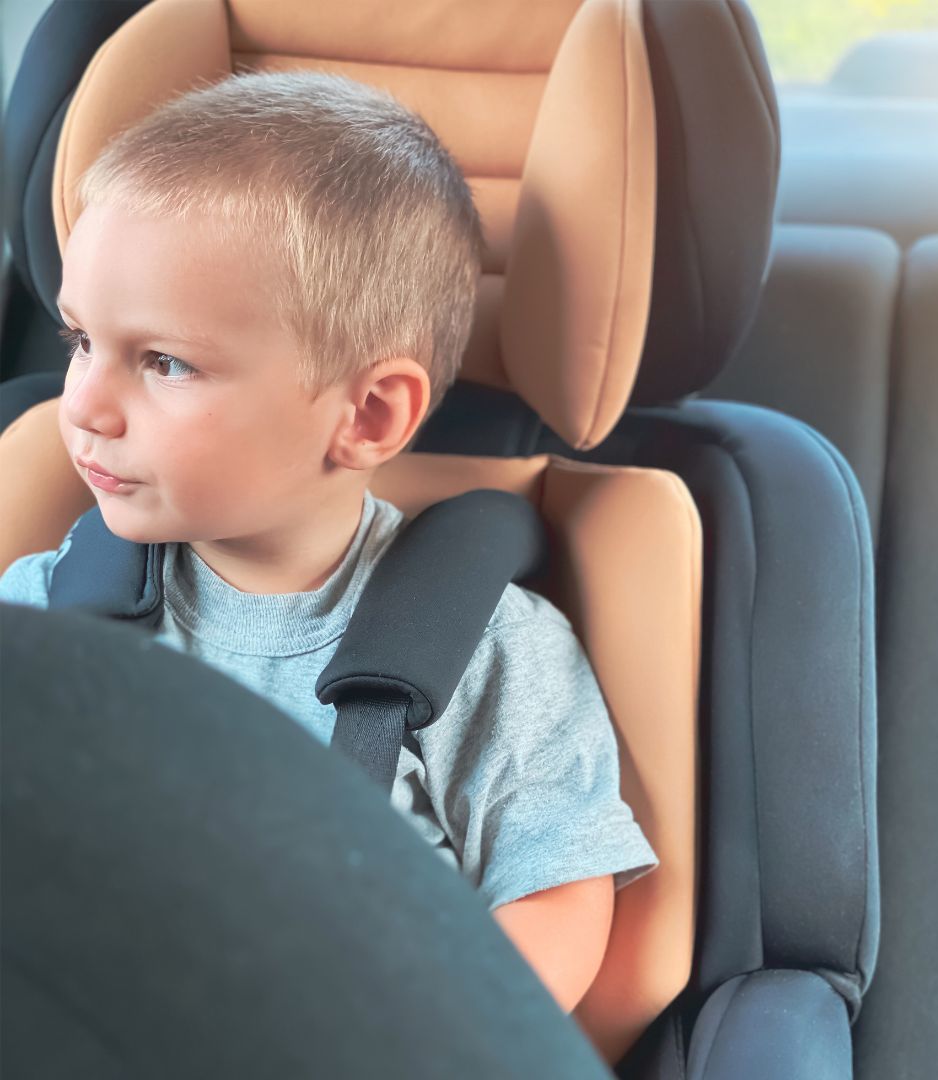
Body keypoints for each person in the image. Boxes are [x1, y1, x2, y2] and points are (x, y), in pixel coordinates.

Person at [0, 70, 657, 1014]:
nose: (85, 407)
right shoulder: (44, 608)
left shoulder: (485, 650)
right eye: (77, 342)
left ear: (370, 415)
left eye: (164, 362)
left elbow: (553, 893)